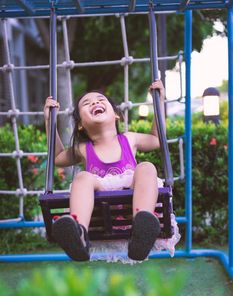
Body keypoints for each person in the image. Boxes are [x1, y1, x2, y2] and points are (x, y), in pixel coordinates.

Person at [44, 80, 166, 262]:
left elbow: (157, 139)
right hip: (102, 204)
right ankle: (79, 234)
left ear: (116, 115)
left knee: (146, 167)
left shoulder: (129, 139)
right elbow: (58, 157)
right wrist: (49, 121)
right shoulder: (83, 148)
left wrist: (159, 102)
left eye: (100, 100)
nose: (95, 103)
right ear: (80, 125)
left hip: (131, 201)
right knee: (83, 177)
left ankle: (142, 224)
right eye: (87, 103)